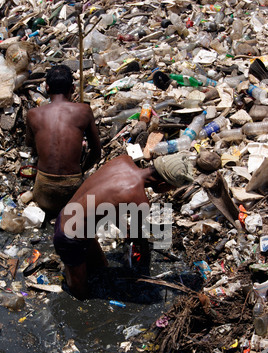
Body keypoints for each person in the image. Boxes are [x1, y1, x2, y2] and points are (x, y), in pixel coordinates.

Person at [53, 153, 194, 300]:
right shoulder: (140, 201)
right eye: (170, 188)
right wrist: (145, 258)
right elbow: (136, 237)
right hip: (69, 237)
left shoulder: (122, 160)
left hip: (66, 216)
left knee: (101, 266)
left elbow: (107, 196)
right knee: (81, 292)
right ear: (163, 185)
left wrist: (124, 226)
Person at [26, 65, 102, 219]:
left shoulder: (33, 114)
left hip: (43, 194)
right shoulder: (84, 110)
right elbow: (96, 152)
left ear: (47, 88)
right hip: (71, 193)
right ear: (73, 88)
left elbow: (30, 144)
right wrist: (81, 170)